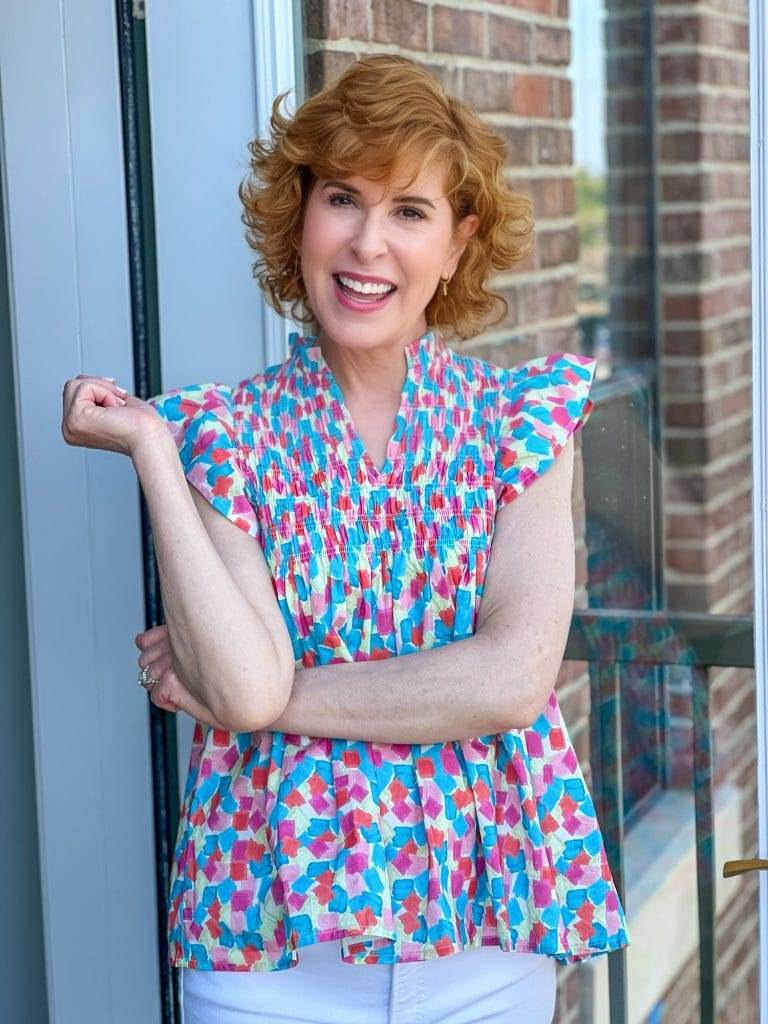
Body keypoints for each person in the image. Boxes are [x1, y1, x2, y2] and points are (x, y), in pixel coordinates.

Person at [61, 53, 629, 1024]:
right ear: (300, 219)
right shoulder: (218, 436)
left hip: (484, 953)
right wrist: (152, 448)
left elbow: (508, 682)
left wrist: (269, 698)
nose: (369, 244)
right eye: (342, 198)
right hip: (269, 964)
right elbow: (239, 689)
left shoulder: (522, 425)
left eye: (410, 210)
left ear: (458, 242)